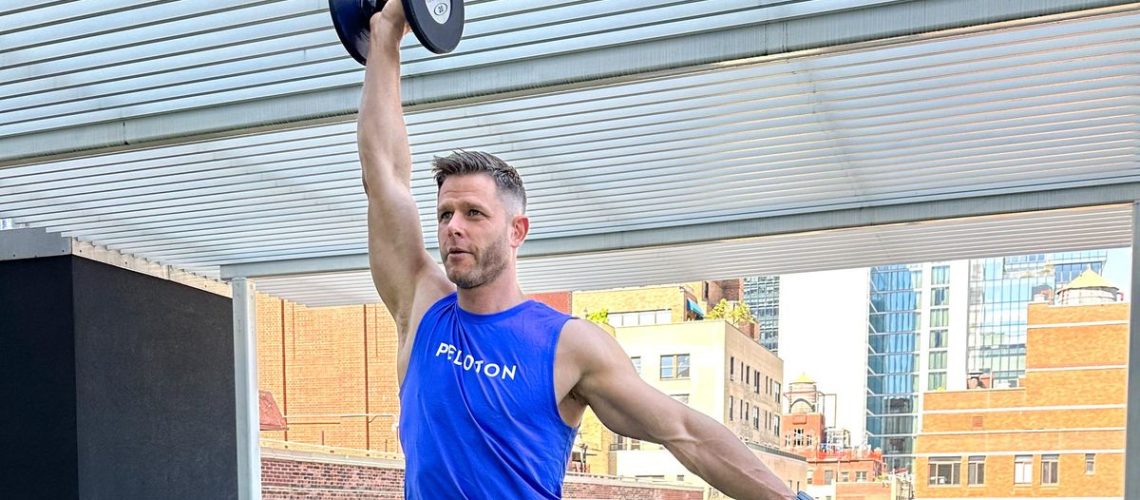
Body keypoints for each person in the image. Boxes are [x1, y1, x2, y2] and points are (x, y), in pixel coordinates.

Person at [357, 3, 796, 499]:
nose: (454, 228)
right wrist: (386, 32)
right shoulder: (421, 304)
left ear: (517, 230)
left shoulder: (569, 345)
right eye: (445, 215)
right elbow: (385, 176)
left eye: (474, 214)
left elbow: (684, 431)